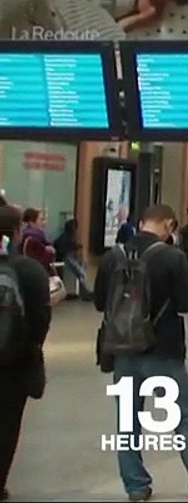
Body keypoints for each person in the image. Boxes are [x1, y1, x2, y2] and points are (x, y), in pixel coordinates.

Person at [94, 204, 188, 501]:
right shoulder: (172, 257)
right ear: (169, 225)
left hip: (122, 349)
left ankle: (136, 485)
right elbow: (187, 303)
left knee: (128, 419)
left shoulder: (112, 257)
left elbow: (98, 302)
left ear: (141, 222)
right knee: (183, 415)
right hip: (163, 348)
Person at [0, 205, 51, 502]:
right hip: (15, 362)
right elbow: (41, 317)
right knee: (7, 424)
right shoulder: (29, 269)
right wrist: (31, 345)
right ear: (17, 231)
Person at [52, 218, 92, 300]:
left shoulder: (65, 237)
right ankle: (85, 292)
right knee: (80, 271)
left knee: (80, 267)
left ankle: (84, 290)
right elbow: (64, 251)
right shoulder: (66, 238)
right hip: (64, 258)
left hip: (65, 257)